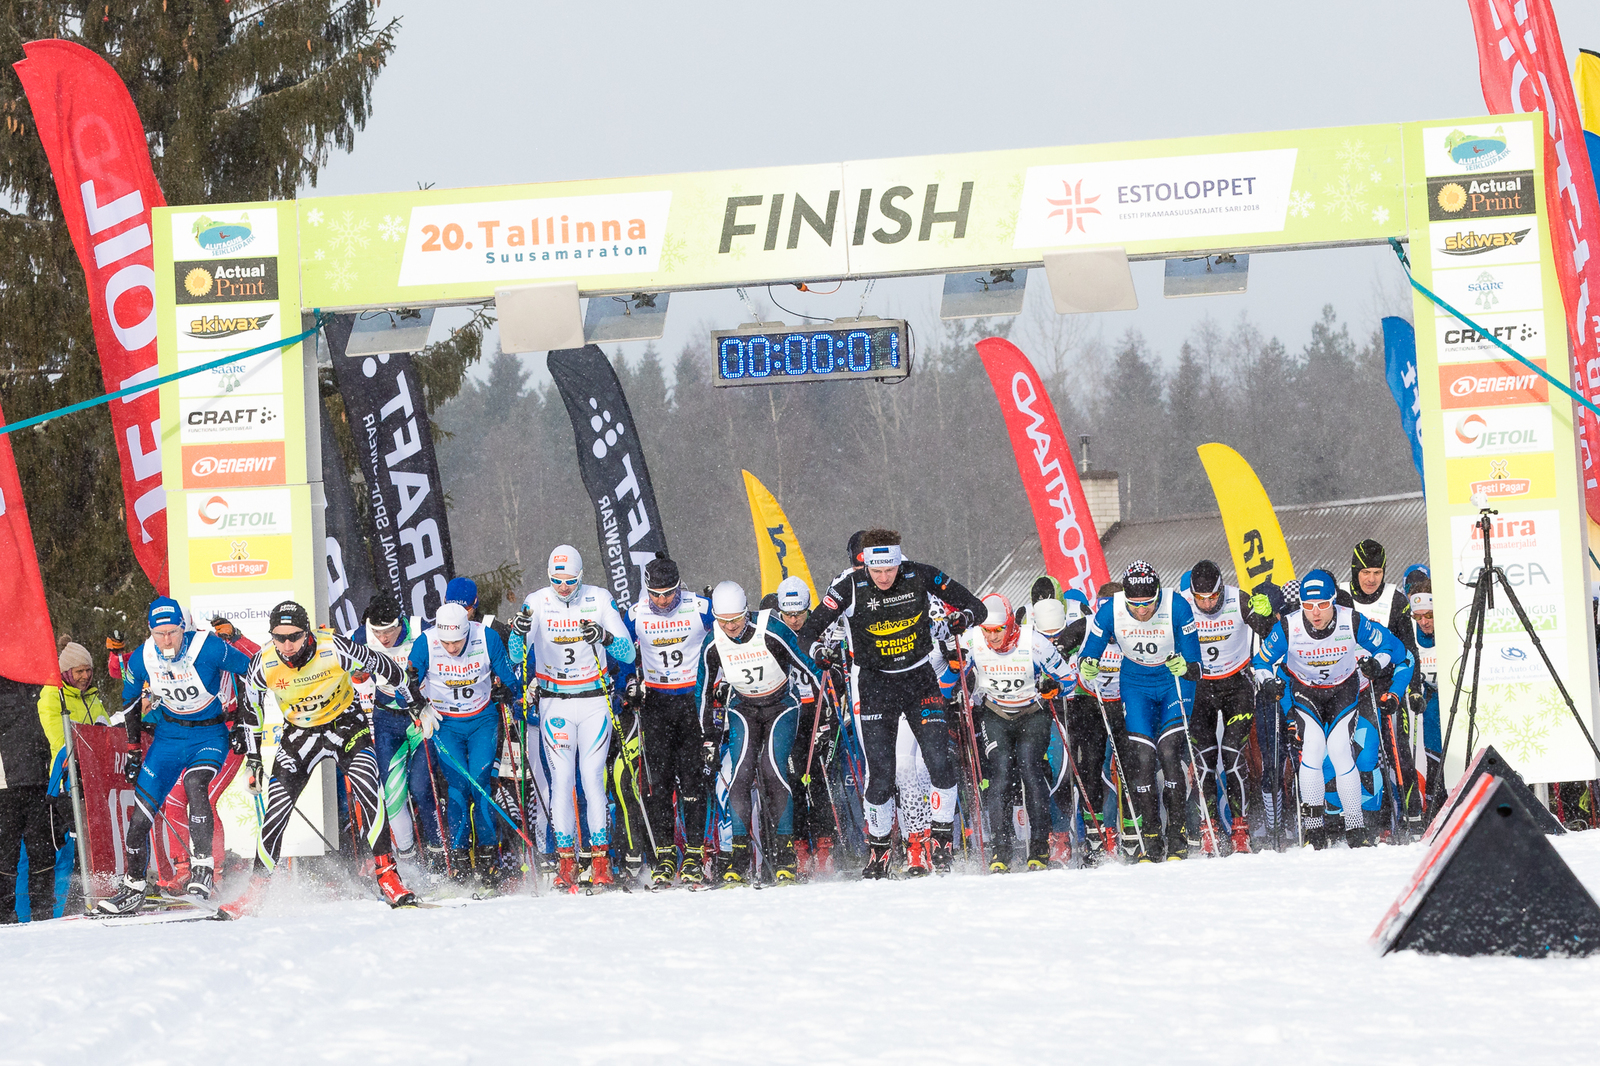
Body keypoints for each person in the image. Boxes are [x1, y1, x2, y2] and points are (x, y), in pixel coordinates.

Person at [799, 529, 985, 878]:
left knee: (937, 761)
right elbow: (808, 632)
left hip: (919, 680)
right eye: (876, 570)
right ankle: (879, 852)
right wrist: (819, 651)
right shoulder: (848, 586)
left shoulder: (920, 574)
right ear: (864, 565)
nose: (883, 578)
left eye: (890, 570)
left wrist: (963, 620)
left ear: (900, 562)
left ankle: (939, 842)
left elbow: (978, 607)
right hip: (875, 684)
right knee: (881, 775)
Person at [221, 601, 417, 917]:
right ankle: (255, 891)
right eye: (279, 637)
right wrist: (254, 759)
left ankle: (388, 876)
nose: (287, 645)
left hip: (345, 725)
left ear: (307, 632)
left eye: (294, 637)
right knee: (276, 810)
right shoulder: (263, 662)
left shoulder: (334, 647)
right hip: (300, 735)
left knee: (369, 788)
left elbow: (386, 667)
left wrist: (415, 702)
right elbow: (250, 709)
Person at [98, 598, 257, 913]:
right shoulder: (144, 655)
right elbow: (129, 698)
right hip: (169, 738)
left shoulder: (208, 646)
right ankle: (134, 886)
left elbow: (252, 669)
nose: (167, 640)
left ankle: (206, 869)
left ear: (184, 628)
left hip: (210, 734)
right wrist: (133, 751)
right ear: (150, 632)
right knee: (143, 813)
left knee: (197, 786)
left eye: (172, 632)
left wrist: (243, 722)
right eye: (160, 633)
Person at [509, 545, 636, 892]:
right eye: (556, 581)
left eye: (569, 581)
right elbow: (515, 656)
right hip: (556, 703)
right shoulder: (536, 601)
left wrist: (605, 637)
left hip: (594, 701)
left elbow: (628, 652)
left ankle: (600, 862)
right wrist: (518, 632)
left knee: (592, 778)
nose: (563, 588)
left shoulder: (599, 598)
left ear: (581, 576)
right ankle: (566, 863)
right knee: (562, 781)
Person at [1253, 569, 1410, 849]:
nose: (1315, 613)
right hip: (1307, 691)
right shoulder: (1289, 626)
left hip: (1342, 690)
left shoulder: (1351, 620)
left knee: (1339, 751)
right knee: (1312, 748)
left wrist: (1377, 664)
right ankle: (1314, 830)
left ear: (1334, 600)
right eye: (1308, 605)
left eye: (1323, 605)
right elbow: (1261, 662)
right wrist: (1268, 682)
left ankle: (1355, 827)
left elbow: (1391, 648)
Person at [695, 581, 821, 885]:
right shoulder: (713, 642)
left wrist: (826, 705)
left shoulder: (771, 629)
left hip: (781, 706)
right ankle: (739, 859)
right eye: (723, 621)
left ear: (746, 612)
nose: (731, 627)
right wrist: (708, 737)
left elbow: (808, 664)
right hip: (744, 708)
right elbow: (703, 691)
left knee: (772, 769)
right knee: (739, 774)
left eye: (737, 619)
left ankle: (785, 855)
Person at [1078, 562, 1203, 861]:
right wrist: (1087, 664)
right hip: (1136, 684)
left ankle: (1177, 836)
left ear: (1158, 593)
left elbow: (1197, 666)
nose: (1142, 610)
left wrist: (1186, 667)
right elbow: (1088, 653)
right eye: (1135, 604)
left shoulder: (1177, 606)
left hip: (1173, 682)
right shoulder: (1111, 610)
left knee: (1169, 752)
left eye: (1148, 603)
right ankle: (1151, 836)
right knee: (1143, 758)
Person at [408, 601, 523, 887]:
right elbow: (406, 687)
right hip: (446, 724)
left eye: (457, 642)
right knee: (458, 786)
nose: (451, 648)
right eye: (446, 642)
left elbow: (509, 677)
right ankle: (459, 860)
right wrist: (418, 706)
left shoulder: (486, 637)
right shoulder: (426, 642)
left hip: (482, 721)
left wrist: (508, 692)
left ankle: (488, 859)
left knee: (481, 784)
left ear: (467, 630)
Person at [960, 593, 1073, 872]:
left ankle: (1039, 848)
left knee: (1029, 768)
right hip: (995, 713)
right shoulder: (972, 640)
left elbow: (1069, 679)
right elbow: (951, 676)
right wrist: (954, 674)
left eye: (998, 629)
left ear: (1010, 623)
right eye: (987, 630)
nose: (992, 637)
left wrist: (1054, 687)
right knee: (999, 774)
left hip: (1032, 713)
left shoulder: (1034, 642)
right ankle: (1001, 850)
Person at [622, 556, 713, 888]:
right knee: (657, 783)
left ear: (679, 586)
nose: (662, 601)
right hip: (657, 704)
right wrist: (628, 683)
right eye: (655, 594)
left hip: (692, 702)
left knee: (692, 780)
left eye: (669, 593)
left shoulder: (700, 607)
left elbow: (730, 634)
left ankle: (694, 854)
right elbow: (621, 652)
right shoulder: (635, 614)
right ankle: (664, 855)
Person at [351, 595, 441, 875]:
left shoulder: (420, 629)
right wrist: (358, 673)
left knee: (422, 788)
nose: (383, 638)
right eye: (377, 632)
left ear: (399, 622)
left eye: (389, 630)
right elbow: (353, 674)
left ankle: (438, 855)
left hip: (420, 717)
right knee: (392, 795)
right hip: (387, 720)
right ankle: (408, 861)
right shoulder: (361, 637)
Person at [1180, 560, 1257, 855]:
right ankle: (1208, 828)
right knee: (1204, 760)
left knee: (1233, 753)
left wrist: (1265, 615)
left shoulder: (1239, 599)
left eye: (1213, 597)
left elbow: (1269, 629)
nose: (1208, 604)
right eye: (1201, 598)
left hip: (1237, 685)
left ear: (1221, 589)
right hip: (1201, 688)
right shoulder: (1182, 605)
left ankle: (1240, 830)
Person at [1, 674, 55, 923]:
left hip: (39, 779)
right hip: (5, 783)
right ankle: (4, 914)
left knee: (43, 851)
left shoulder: (35, 680)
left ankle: (44, 912)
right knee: (5, 854)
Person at [1403, 573, 1441, 819]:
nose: (1424, 622)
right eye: (1418, 617)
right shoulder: (1411, 636)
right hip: (1426, 703)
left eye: (1429, 615)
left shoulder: (1451, 630)